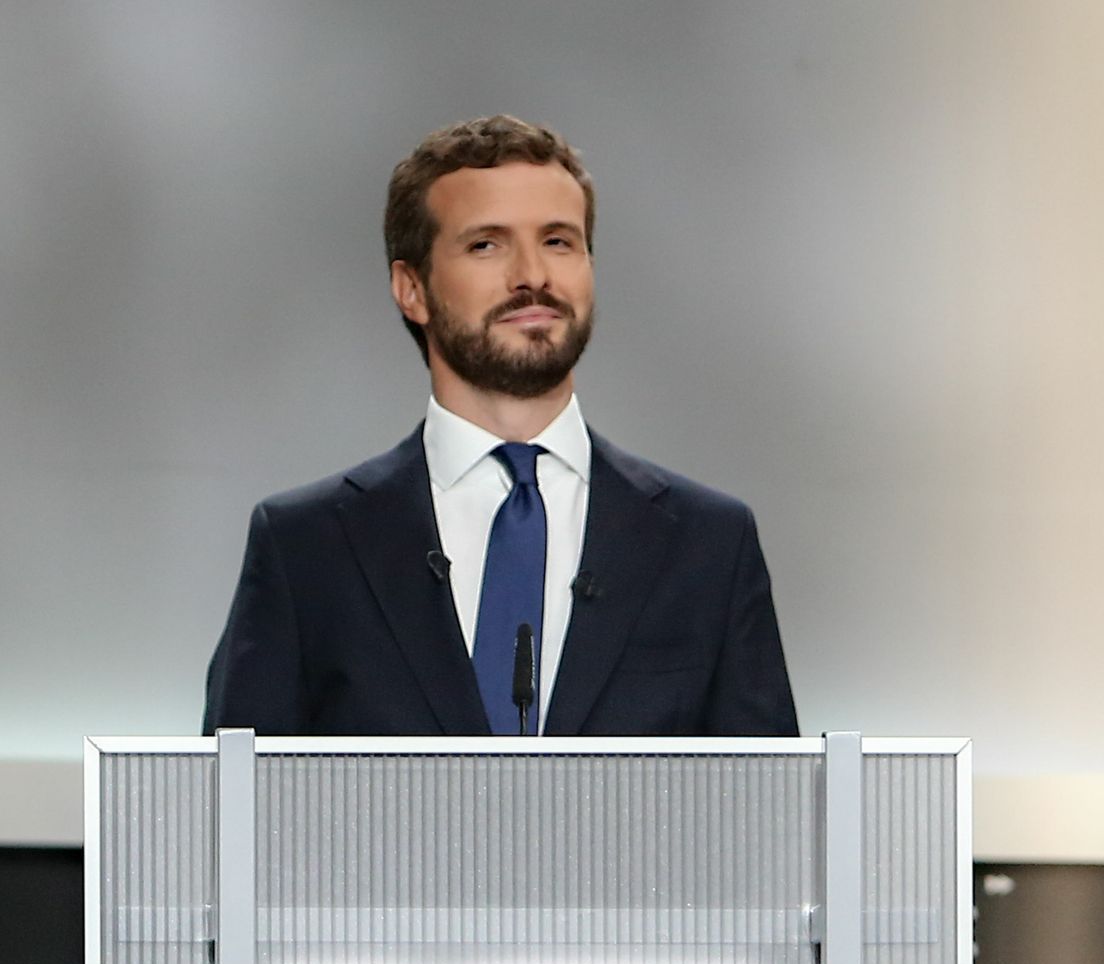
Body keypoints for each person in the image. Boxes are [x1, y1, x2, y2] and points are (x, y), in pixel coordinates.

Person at [203, 115, 797, 737]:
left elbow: (765, 816)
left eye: (559, 242)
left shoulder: (708, 546)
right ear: (412, 290)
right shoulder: (307, 547)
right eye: (487, 244)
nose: (533, 276)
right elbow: (228, 815)